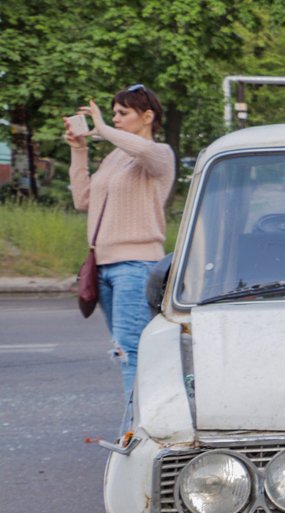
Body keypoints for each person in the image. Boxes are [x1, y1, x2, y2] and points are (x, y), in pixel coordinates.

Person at [66, 84, 175, 401]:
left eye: (122, 113)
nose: (115, 119)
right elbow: (82, 200)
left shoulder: (159, 155)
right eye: (113, 113)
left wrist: (100, 128)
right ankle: (139, 422)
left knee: (130, 349)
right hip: (103, 266)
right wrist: (79, 150)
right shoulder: (114, 158)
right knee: (125, 348)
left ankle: (136, 430)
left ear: (148, 116)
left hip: (137, 265)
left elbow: (142, 150)